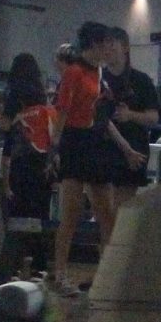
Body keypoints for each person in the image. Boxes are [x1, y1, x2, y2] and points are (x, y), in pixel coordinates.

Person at [50, 22, 143, 297]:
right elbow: (63, 111)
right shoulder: (74, 73)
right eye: (104, 44)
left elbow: (101, 117)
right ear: (94, 44)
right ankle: (60, 273)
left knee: (106, 212)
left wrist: (125, 148)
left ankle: (108, 272)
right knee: (71, 212)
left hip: (94, 141)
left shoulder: (98, 73)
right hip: (75, 142)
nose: (108, 49)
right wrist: (55, 148)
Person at [0, 53, 57, 275]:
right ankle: (41, 264)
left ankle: (17, 263)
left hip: (20, 162)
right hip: (42, 163)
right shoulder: (44, 103)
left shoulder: (14, 99)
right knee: (41, 213)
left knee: (17, 214)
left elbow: (5, 126)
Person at [102, 27, 160, 208]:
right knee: (105, 207)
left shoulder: (141, 81)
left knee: (121, 206)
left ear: (125, 47)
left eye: (112, 46)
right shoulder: (98, 80)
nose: (107, 51)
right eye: (104, 47)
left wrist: (130, 115)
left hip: (133, 148)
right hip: (104, 149)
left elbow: (153, 117)